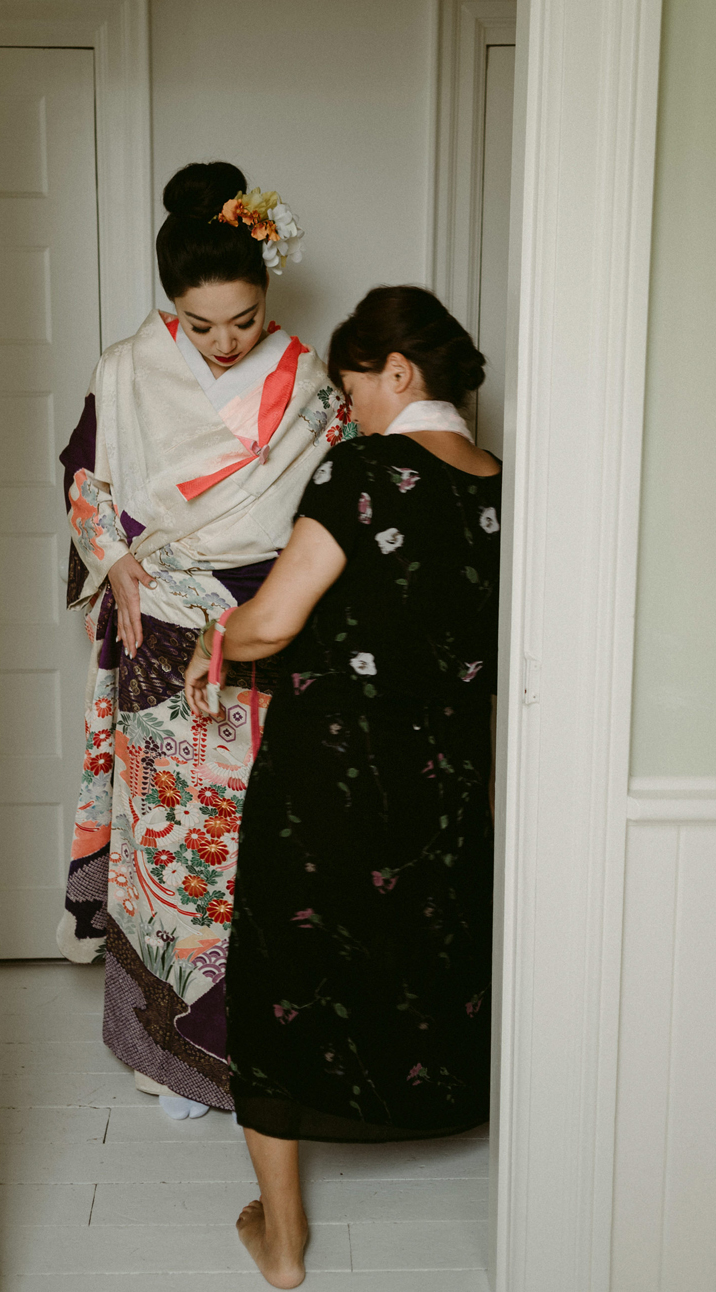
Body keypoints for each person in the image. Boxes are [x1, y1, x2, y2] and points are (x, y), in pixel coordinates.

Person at [182, 286, 501, 1288]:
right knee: (425, 948)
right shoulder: (497, 482)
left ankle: (280, 1241)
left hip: (334, 770)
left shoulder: (362, 469)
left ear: (396, 373)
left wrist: (211, 639)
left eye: (349, 383)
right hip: (448, 777)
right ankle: (431, 1115)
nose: (342, 404)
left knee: (281, 969)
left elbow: (273, 620)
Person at [56, 161, 349, 1119]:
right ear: (170, 304)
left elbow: (335, 507)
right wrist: (117, 559)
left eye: (246, 319)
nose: (226, 342)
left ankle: (253, 1043)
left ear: (270, 294)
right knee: (166, 848)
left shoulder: (310, 382)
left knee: (258, 843)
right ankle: (160, 1045)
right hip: (157, 631)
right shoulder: (124, 368)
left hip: (267, 631)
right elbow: (88, 481)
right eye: (201, 322)